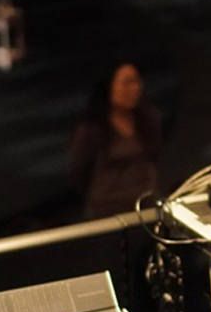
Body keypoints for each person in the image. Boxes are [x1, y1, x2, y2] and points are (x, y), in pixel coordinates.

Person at [68, 61, 162, 219]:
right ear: (109, 87)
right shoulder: (92, 128)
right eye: (126, 83)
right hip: (106, 211)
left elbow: (155, 158)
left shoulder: (148, 119)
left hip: (145, 206)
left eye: (136, 82)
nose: (134, 88)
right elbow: (78, 172)